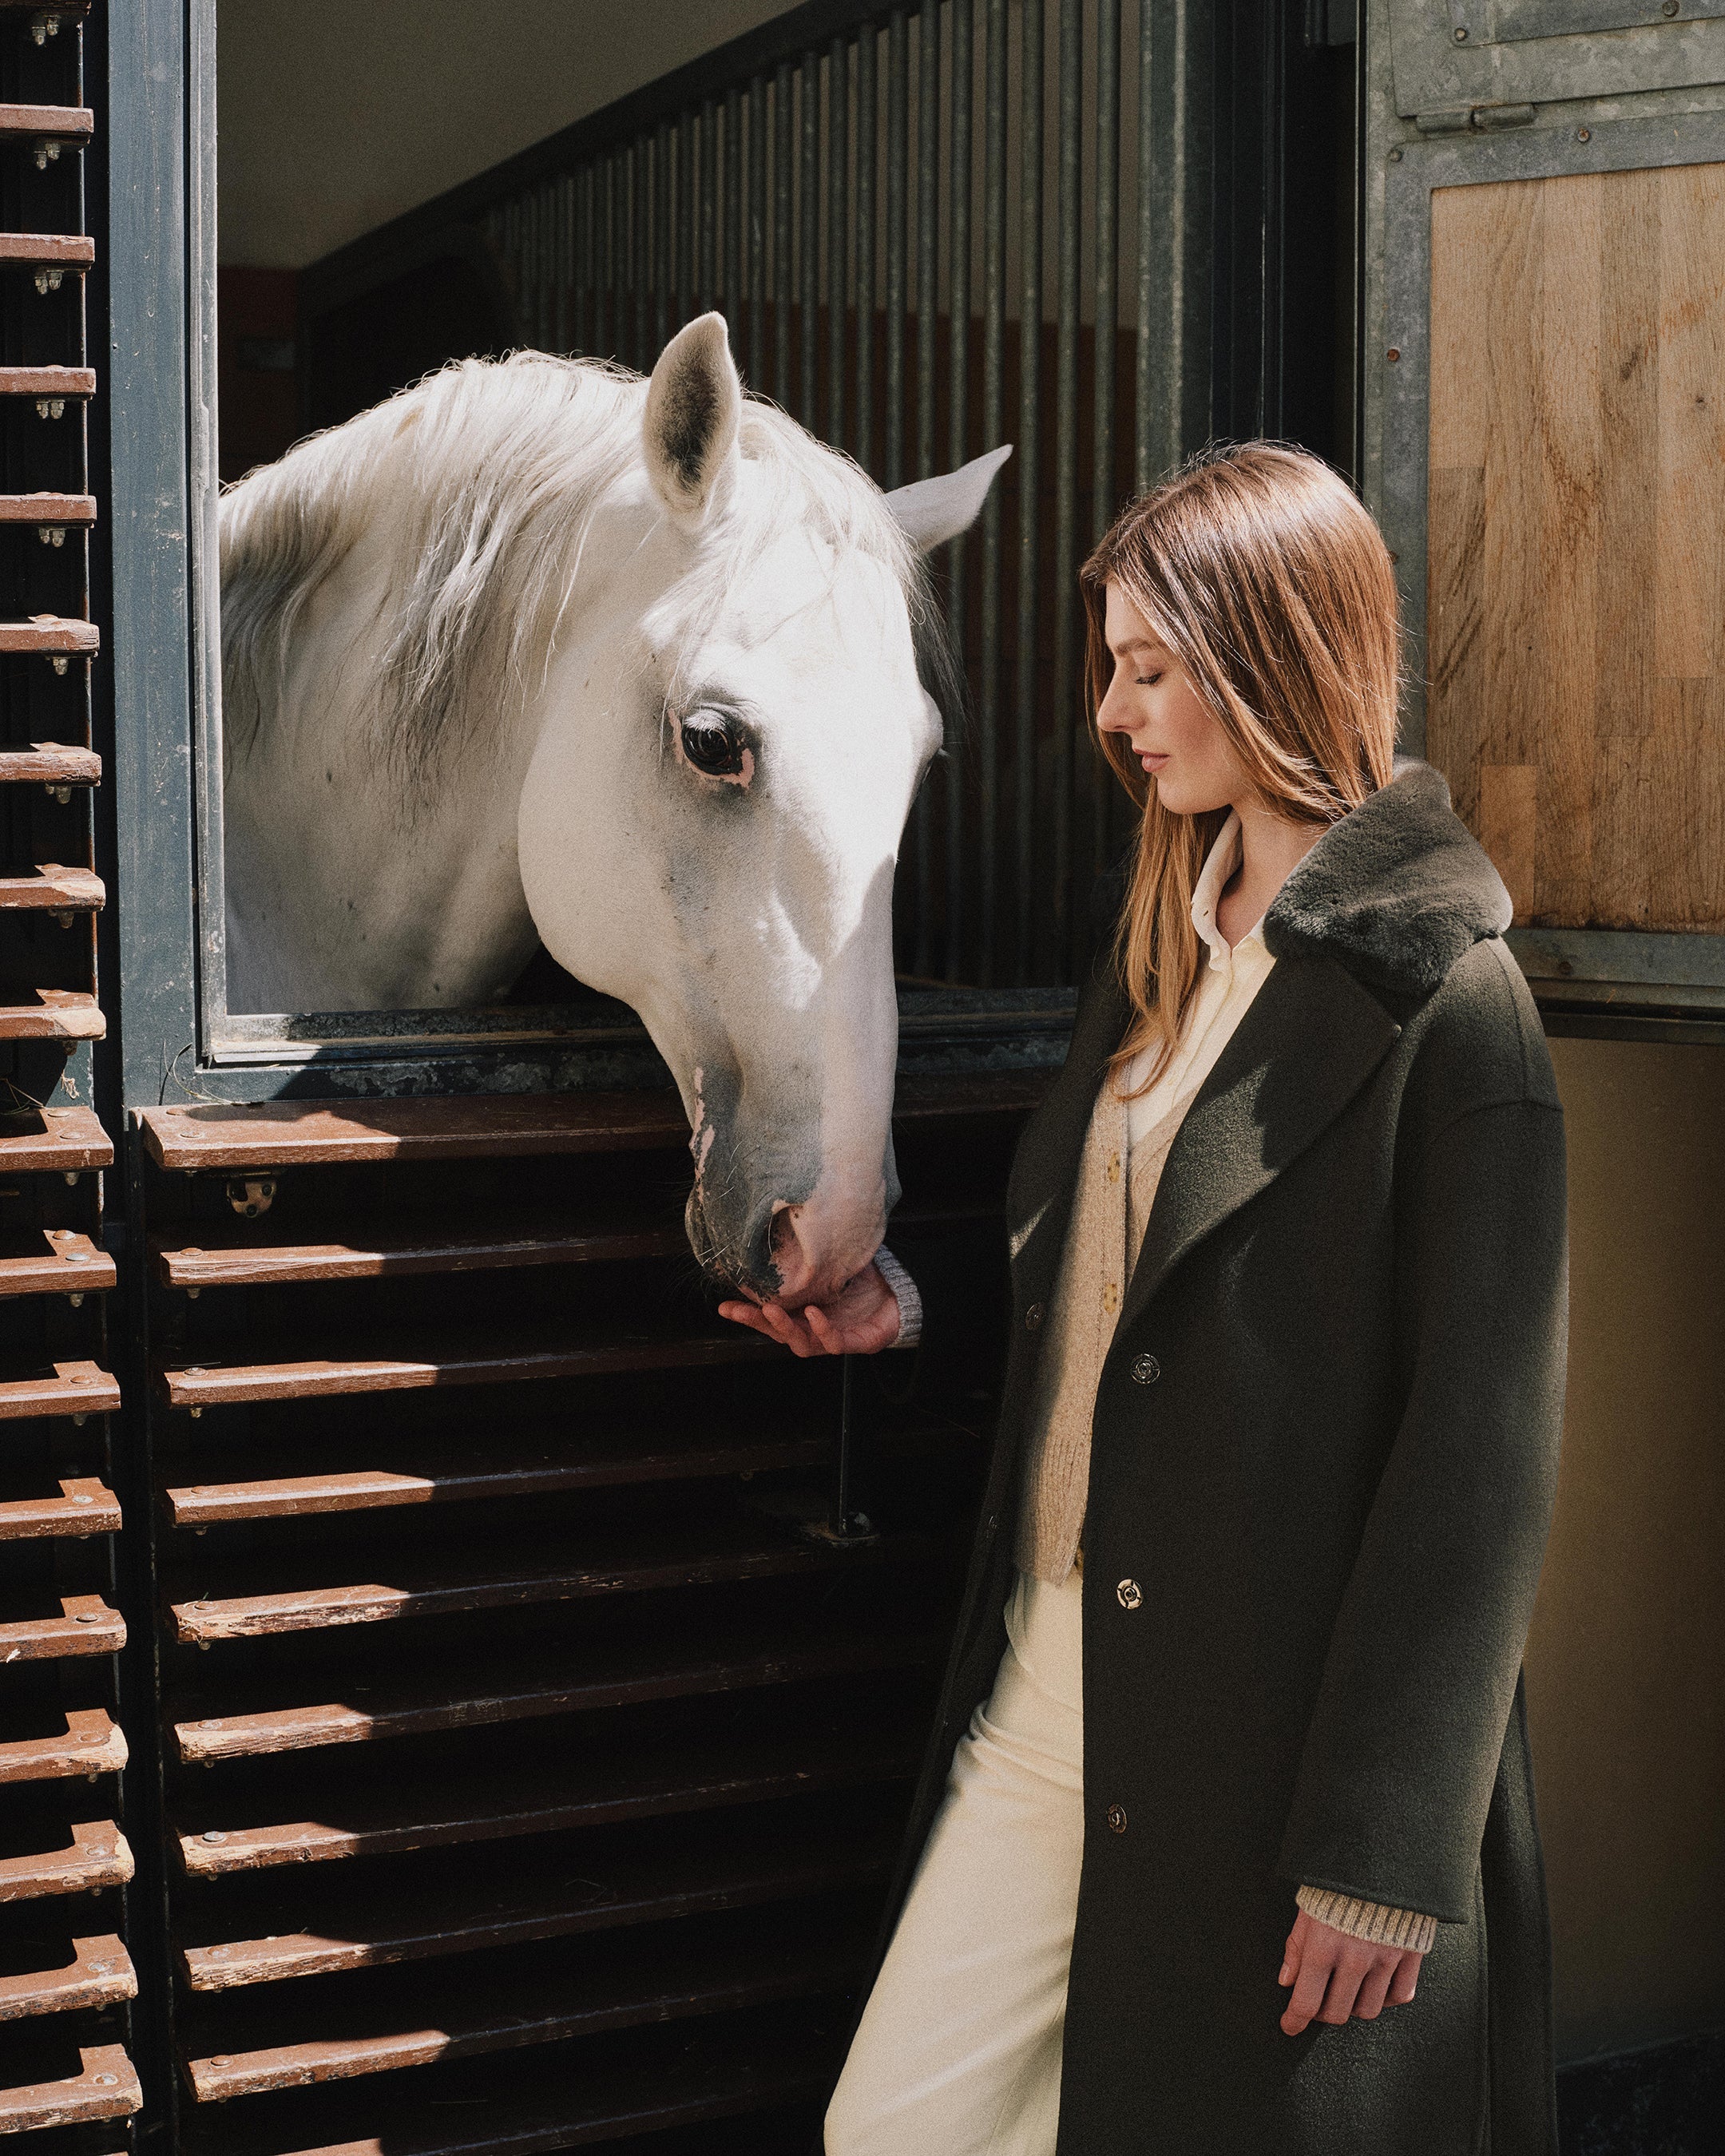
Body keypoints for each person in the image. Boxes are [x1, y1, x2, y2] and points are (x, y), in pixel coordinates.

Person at [718, 442, 1568, 2156]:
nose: (1114, 713)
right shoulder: (1163, 946)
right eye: (1115, 666)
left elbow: (1479, 1463)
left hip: (1272, 1733)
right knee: (895, 2128)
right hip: (1054, 1680)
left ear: (1275, 657)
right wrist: (913, 1310)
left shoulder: (1450, 1002)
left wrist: (1384, 1851)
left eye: (1154, 668)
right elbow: (1125, 1277)